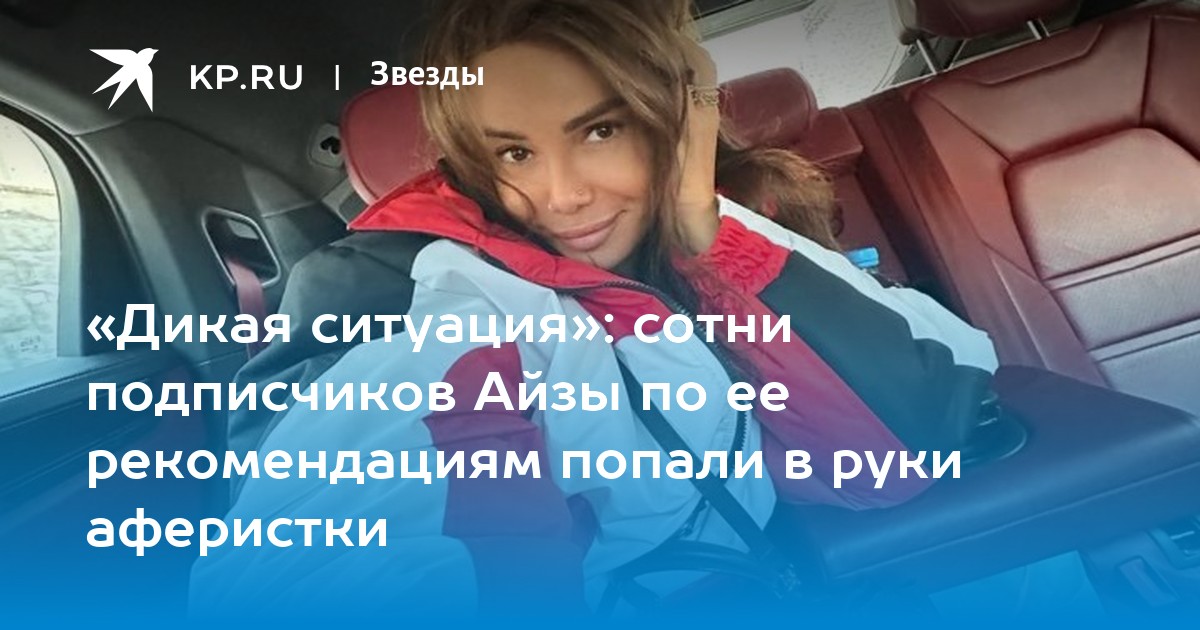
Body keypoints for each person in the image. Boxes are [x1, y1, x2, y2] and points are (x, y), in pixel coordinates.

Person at [190, 0, 998, 617]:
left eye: (601, 131)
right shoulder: (405, 292)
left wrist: (708, 239)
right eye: (514, 152)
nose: (563, 195)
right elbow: (359, 543)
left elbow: (908, 444)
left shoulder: (709, 229)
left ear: (671, 122)